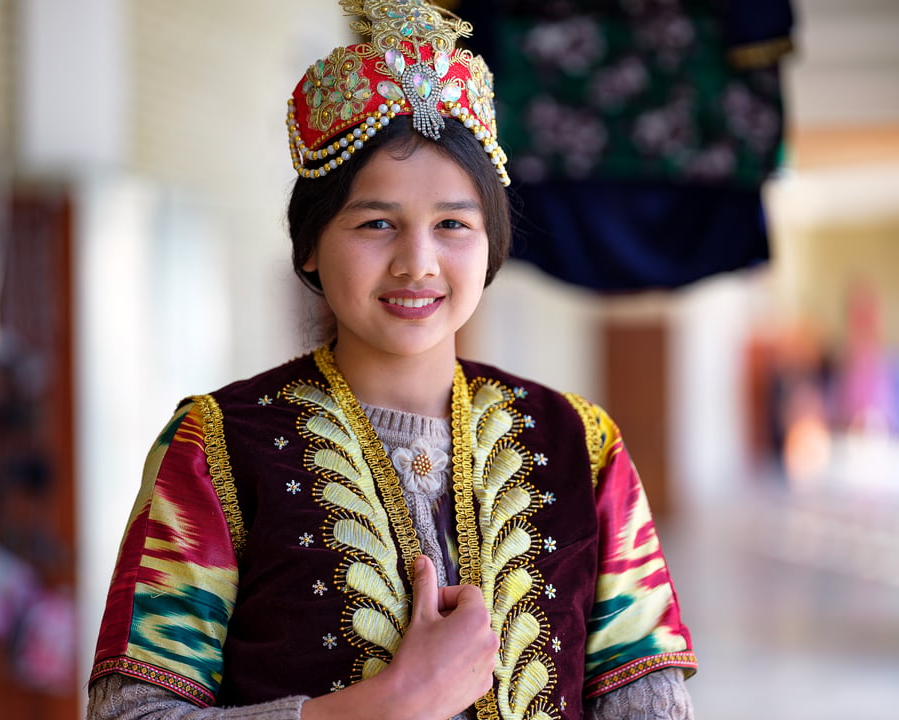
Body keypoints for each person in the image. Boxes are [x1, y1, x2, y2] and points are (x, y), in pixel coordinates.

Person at [87, 1, 697, 718]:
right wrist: (392, 704)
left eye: (452, 225)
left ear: (492, 244)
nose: (417, 263)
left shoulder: (581, 446)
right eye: (376, 223)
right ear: (310, 244)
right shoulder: (217, 444)